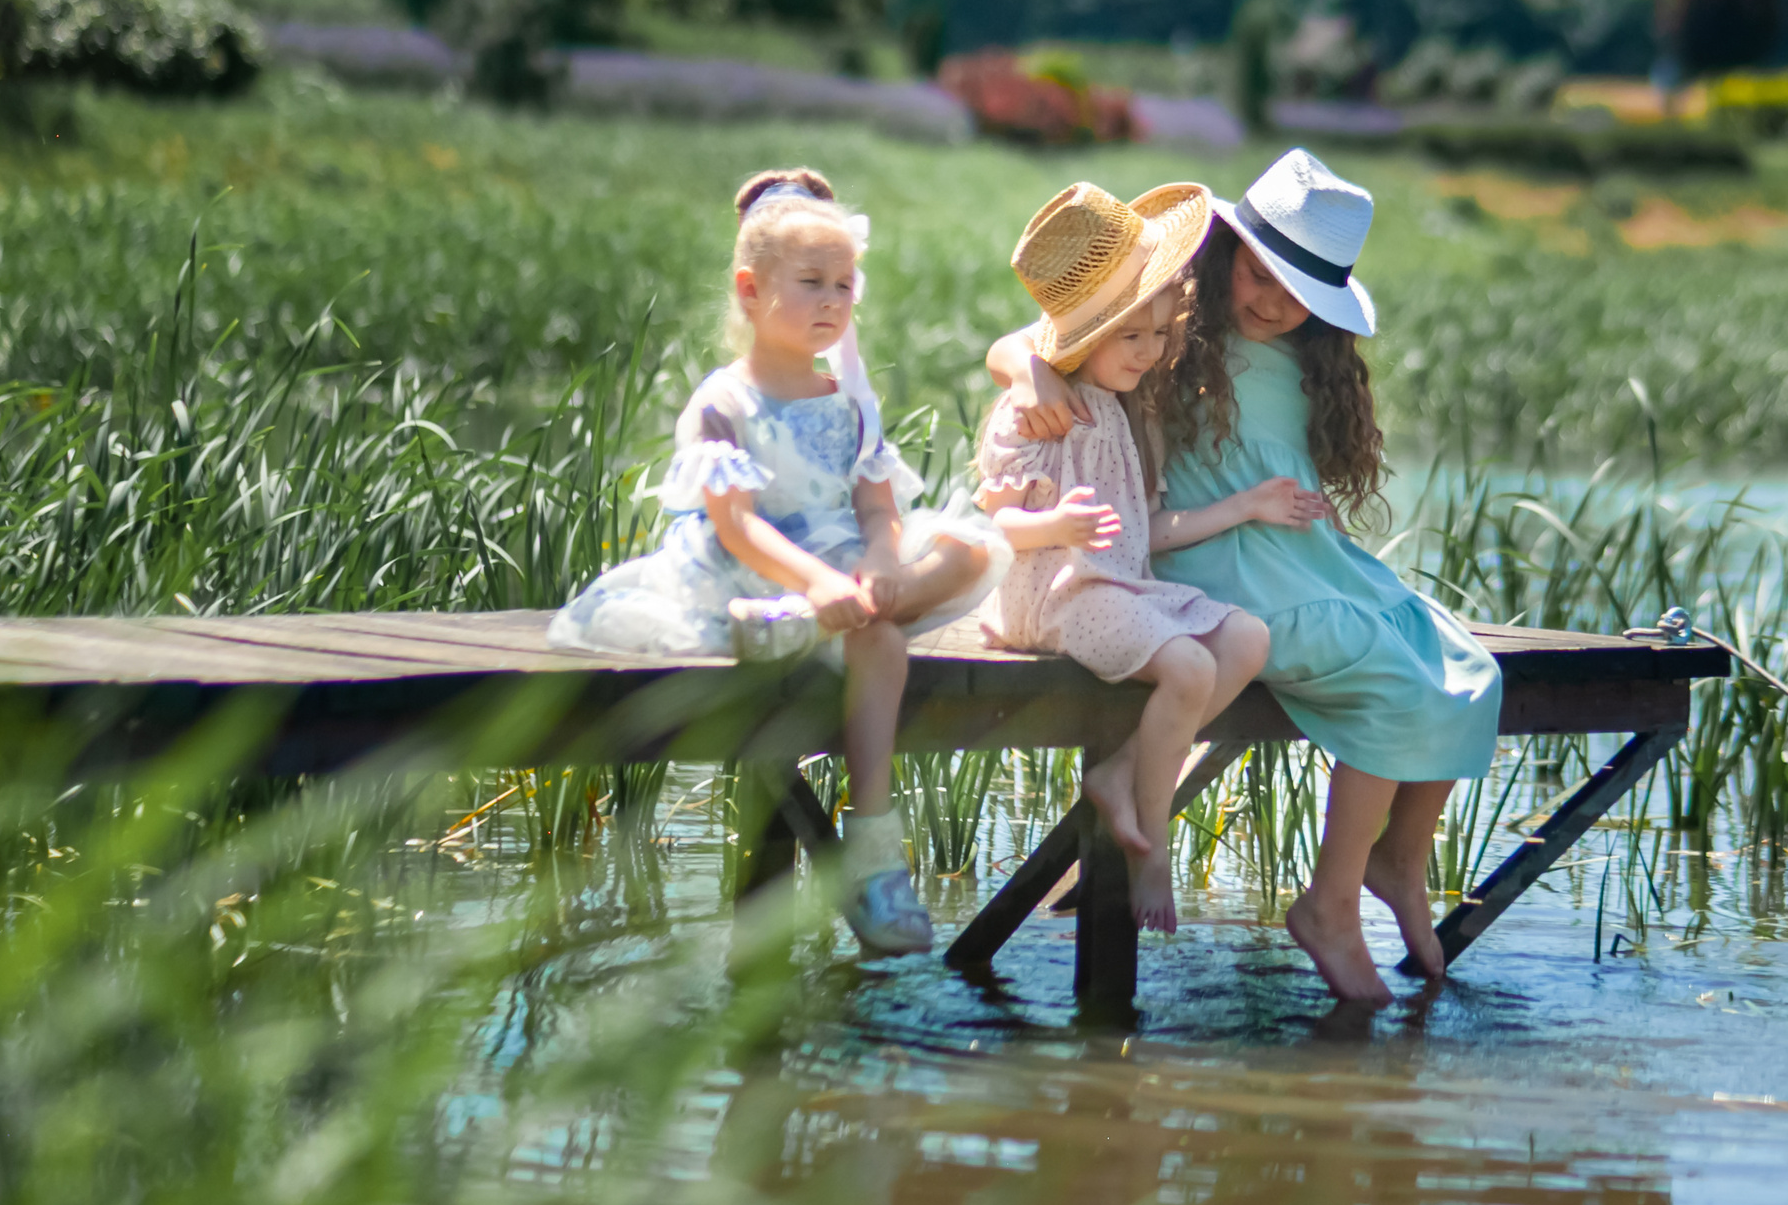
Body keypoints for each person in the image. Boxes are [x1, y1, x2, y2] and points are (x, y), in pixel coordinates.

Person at [988, 150, 1499, 1006]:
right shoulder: (1170, 328)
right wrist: (1032, 369)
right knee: (1381, 666)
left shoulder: (1309, 359)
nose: (1271, 301)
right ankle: (1331, 904)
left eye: (1299, 292)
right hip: (1206, 555)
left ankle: (1395, 863)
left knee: (1465, 665)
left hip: (1290, 549)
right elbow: (1028, 338)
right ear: (1226, 253)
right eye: (1259, 275)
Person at [554, 168, 1005, 956]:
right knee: (882, 640)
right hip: (762, 564)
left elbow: (875, 502)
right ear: (751, 289)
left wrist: (875, 557)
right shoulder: (724, 403)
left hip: (840, 557)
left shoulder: (846, 395)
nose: (834, 301)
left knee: (968, 548)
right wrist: (819, 579)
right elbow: (738, 527)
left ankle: (865, 812)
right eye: (811, 283)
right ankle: (874, 849)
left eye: (844, 284)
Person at [973, 182, 1276, 932]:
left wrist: (1241, 508)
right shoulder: (1041, 409)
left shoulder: (1128, 406)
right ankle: (1152, 848)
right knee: (1190, 667)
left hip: (1113, 587)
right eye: (1128, 335)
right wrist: (1055, 528)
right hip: (1052, 596)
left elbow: (1141, 533)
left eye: (1157, 332)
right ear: (1081, 340)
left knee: (1247, 639)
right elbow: (996, 531)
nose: (1149, 351)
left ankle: (1118, 773)